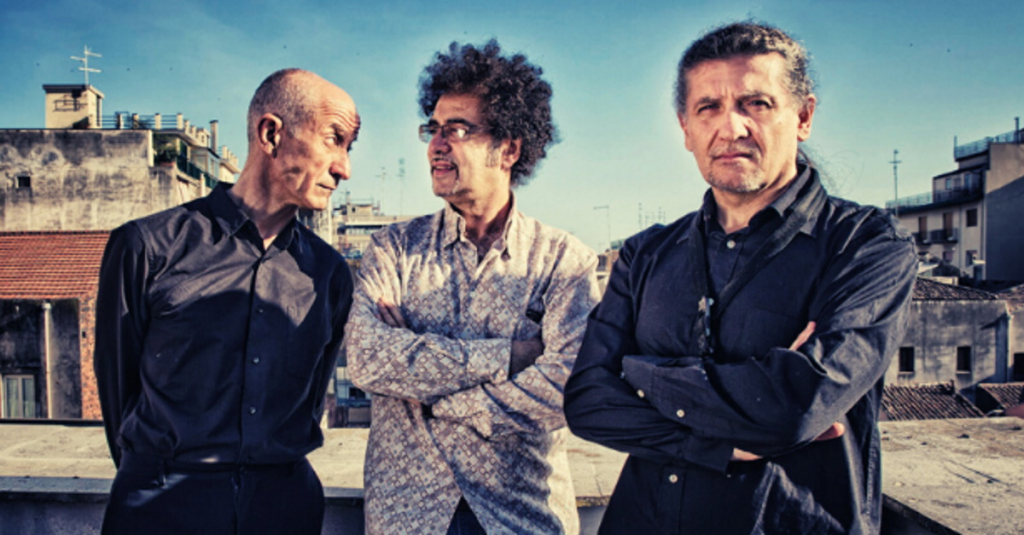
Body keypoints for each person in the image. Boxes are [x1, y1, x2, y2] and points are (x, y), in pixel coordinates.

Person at [564, 22, 918, 534]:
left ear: (803, 117)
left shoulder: (866, 246)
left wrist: (639, 373)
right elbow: (587, 402)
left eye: (757, 104)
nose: (731, 128)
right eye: (708, 107)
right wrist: (719, 437)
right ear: (686, 128)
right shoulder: (646, 253)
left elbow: (794, 407)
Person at [344, 40, 599, 534]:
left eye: (457, 129)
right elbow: (368, 358)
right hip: (409, 518)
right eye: (432, 129)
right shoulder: (393, 249)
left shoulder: (564, 261)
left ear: (509, 149)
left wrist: (441, 399)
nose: (436, 145)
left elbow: (565, 384)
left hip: (522, 516)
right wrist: (508, 357)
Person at [94, 68, 359, 535]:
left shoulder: (329, 273)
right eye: (333, 140)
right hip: (160, 512)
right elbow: (118, 388)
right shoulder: (147, 246)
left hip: (284, 511)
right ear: (271, 134)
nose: (344, 168)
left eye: (349, 148)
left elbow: (312, 398)